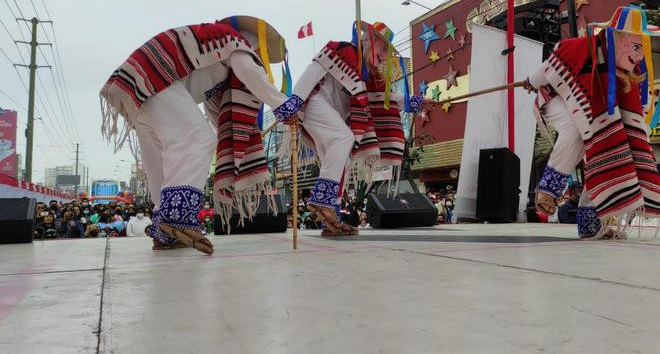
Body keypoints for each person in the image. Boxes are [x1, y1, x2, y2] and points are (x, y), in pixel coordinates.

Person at [101, 16, 294, 254]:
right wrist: (284, 106)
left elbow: (217, 116)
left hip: (142, 84)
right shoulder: (237, 42)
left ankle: (164, 229)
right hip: (157, 80)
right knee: (198, 138)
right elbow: (249, 70)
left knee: (161, 156)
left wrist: (234, 140)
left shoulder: (214, 55)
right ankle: (177, 215)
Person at [523, 5, 660, 238]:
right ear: (617, 37)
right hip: (556, 99)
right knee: (576, 130)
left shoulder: (631, 70)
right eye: (635, 46)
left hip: (593, 115)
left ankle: (592, 225)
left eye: (642, 47)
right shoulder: (579, 47)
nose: (640, 55)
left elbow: (635, 107)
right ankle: (548, 189)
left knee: (608, 151)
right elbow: (547, 70)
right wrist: (530, 81)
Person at [273, 20, 424, 236]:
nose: (383, 57)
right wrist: (295, 100)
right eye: (382, 49)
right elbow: (313, 71)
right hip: (315, 103)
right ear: (370, 40)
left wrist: (418, 101)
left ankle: (331, 219)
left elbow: (388, 99)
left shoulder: (369, 77)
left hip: (331, 116)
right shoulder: (343, 50)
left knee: (340, 160)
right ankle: (323, 200)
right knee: (344, 139)